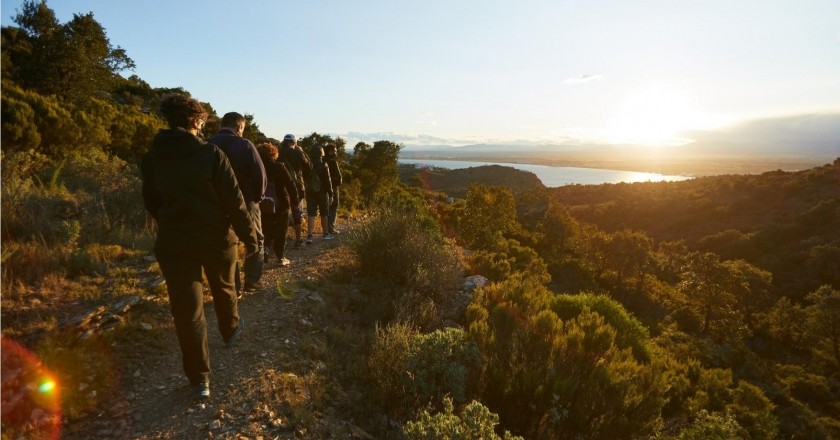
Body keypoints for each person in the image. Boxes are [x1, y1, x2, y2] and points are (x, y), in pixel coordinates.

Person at [141, 95, 257, 399]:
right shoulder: (212, 155)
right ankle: (230, 330)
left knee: (187, 311)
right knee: (224, 287)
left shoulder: (152, 156)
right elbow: (235, 203)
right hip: (215, 239)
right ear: (195, 120)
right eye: (203, 119)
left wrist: (172, 222)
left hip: (173, 242)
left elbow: (151, 201)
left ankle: (199, 379)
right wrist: (251, 239)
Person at [208, 113, 267, 293]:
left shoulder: (207, 145)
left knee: (226, 243)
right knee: (255, 239)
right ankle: (253, 282)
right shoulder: (245, 145)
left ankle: (233, 286)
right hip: (245, 200)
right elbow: (260, 175)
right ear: (239, 127)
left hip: (215, 203)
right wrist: (256, 198)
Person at [256, 141, 299, 266]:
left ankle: (265, 252)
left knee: (265, 228)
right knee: (281, 230)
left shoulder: (257, 168)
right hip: (281, 204)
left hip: (262, 203)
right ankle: (280, 257)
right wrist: (295, 201)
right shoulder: (280, 167)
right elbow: (291, 185)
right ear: (274, 154)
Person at [276, 134, 311, 248]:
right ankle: (298, 240)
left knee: (282, 214)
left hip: (281, 187)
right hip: (297, 187)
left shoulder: (278, 152)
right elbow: (309, 166)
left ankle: (280, 241)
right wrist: (301, 151)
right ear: (294, 142)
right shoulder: (297, 152)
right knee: (297, 213)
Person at [304, 143, 334, 243]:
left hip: (310, 192)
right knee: (324, 213)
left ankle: (310, 236)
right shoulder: (324, 165)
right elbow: (328, 181)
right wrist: (331, 194)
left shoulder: (308, 165)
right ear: (322, 153)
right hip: (323, 192)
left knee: (311, 214)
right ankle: (325, 233)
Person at [323, 143, 343, 235]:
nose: (336, 152)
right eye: (334, 150)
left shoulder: (321, 161)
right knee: (333, 207)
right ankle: (331, 228)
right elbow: (339, 177)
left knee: (325, 208)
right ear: (330, 151)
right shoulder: (333, 162)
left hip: (322, 188)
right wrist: (338, 184)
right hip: (333, 187)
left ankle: (325, 229)